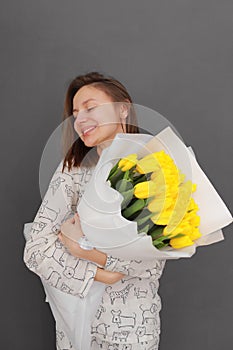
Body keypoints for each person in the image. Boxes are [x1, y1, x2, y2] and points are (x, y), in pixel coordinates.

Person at [23, 71, 166, 350]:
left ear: (123, 108)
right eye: (75, 114)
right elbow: (36, 249)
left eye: (90, 108)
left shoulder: (154, 169)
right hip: (75, 327)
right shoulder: (72, 170)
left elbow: (152, 261)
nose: (80, 120)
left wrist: (81, 250)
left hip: (133, 327)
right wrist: (104, 273)